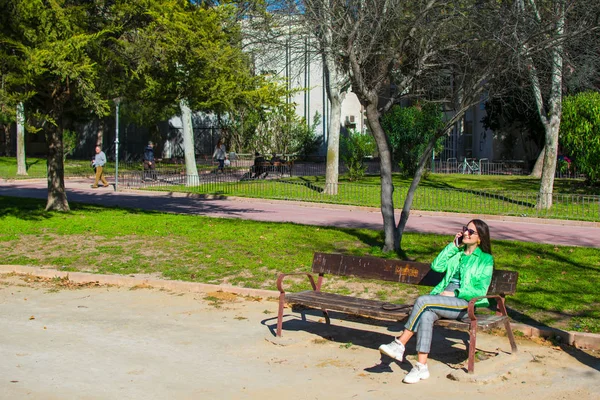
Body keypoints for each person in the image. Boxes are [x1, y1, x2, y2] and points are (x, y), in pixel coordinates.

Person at [378, 219, 494, 384]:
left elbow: (480, 291)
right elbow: (437, 266)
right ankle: (421, 366)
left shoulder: (485, 259)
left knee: (423, 301)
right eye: (465, 229)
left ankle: (400, 343)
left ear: (480, 238)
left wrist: (455, 293)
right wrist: (453, 245)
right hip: (442, 300)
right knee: (426, 314)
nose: (466, 233)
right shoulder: (458, 253)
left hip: (463, 302)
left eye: (471, 232)